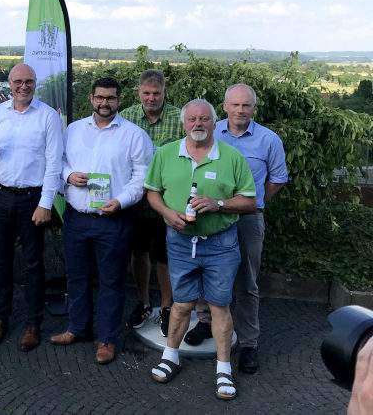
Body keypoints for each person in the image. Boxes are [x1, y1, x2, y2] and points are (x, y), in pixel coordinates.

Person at [144, 99, 256, 401]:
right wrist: (167, 213)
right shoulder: (167, 154)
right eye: (192, 119)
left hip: (221, 243)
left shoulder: (231, 156)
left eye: (204, 119)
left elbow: (249, 201)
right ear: (183, 123)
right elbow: (152, 192)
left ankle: (223, 369)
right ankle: (171, 356)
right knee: (181, 304)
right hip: (180, 242)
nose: (198, 124)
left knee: (220, 306)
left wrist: (218, 204)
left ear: (214, 122)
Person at [183, 84, 287, 374]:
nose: (241, 110)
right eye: (235, 105)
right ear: (225, 107)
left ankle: (249, 343)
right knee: (206, 270)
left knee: (247, 281)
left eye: (247, 106)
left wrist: (249, 203)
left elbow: (277, 179)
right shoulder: (208, 132)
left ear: (254, 108)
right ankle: (205, 322)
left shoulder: (269, 140)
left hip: (246, 219)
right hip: (209, 215)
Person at [49, 77, 152, 364]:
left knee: (111, 281)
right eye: (100, 98)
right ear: (91, 99)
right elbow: (58, 161)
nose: (104, 103)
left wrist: (121, 201)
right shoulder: (72, 130)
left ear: (119, 101)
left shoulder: (134, 135)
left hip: (114, 219)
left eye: (110, 98)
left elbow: (142, 177)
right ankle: (77, 328)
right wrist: (69, 175)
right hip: (77, 217)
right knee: (77, 277)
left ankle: (106, 339)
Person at [0, 63, 63, 351]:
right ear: (9, 83)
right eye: (18, 81)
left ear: (35, 83)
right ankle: (0, 318)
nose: (23, 86)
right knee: (1, 261)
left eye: (29, 81)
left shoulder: (47, 117)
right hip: (2, 195)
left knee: (33, 263)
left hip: (33, 197)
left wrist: (45, 203)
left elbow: (54, 163)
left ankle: (32, 322)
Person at [120, 69, 184, 335]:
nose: (151, 98)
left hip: (168, 201)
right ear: (139, 93)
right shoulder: (126, 117)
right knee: (139, 252)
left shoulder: (180, 118)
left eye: (156, 93)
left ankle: (167, 307)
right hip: (135, 200)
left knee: (165, 255)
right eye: (146, 93)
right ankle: (144, 302)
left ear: (164, 92)